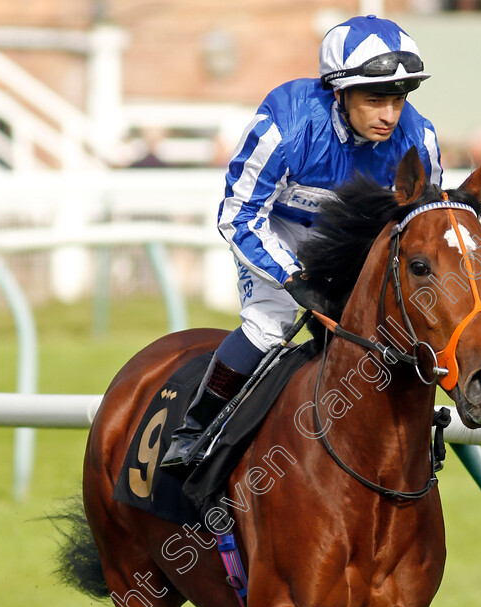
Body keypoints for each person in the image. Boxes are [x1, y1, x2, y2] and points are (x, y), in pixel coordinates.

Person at [162, 15, 443, 467]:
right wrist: (293, 276)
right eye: (375, 100)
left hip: (354, 239)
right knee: (269, 324)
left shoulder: (420, 139)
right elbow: (239, 215)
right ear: (340, 91)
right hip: (276, 230)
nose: (390, 115)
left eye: (398, 99)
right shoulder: (286, 123)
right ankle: (196, 432)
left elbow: (420, 229)